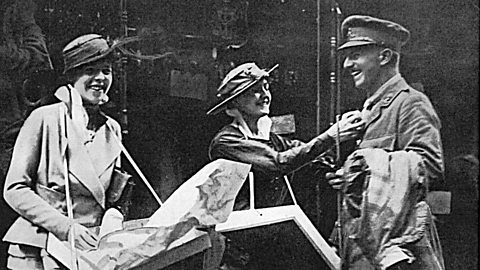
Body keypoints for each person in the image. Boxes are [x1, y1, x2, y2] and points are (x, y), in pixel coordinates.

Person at [207, 62, 364, 269]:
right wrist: (333, 134)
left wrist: (337, 166)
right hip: (241, 248)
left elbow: (313, 160)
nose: (264, 95)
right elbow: (278, 163)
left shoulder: (271, 139)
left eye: (266, 88)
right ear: (233, 104)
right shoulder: (227, 141)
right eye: (254, 91)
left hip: (274, 244)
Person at [2, 33, 133, 269]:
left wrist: (113, 219)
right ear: (72, 76)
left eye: (106, 71)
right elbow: (15, 189)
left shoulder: (111, 128)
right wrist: (65, 226)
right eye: (90, 70)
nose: (100, 78)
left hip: (90, 252)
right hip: (39, 249)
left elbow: (113, 192)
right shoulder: (45, 118)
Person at [327, 15, 445, 270]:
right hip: (364, 243)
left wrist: (366, 165)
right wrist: (350, 176)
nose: (347, 64)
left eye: (356, 55)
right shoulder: (369, 109)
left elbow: (430, 166)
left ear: (385, 57)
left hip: (400, 248)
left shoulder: (411, 102)